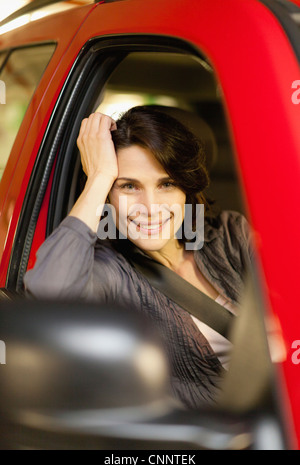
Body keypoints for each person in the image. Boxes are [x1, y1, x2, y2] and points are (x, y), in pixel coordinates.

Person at [24, 106, 253, 409]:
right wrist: (100, 176)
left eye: (166, 184)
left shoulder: (230, 234)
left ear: (186, 188)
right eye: (129, 186)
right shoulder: (108, 270)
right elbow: (48, 296)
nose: (150, 206)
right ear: (108, 196)